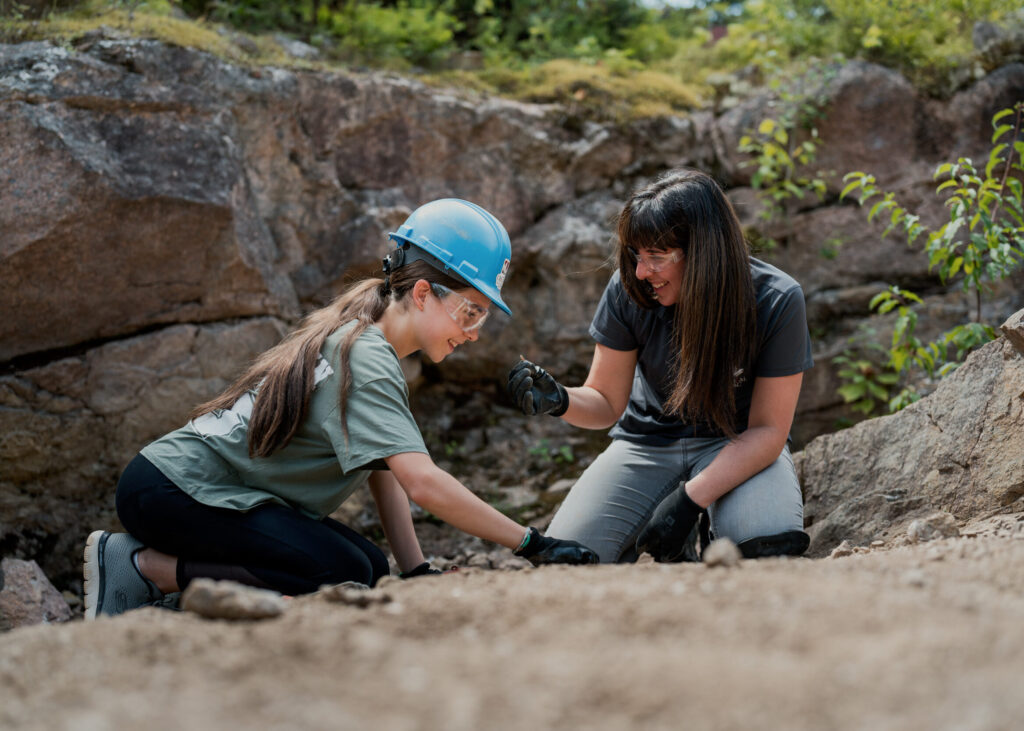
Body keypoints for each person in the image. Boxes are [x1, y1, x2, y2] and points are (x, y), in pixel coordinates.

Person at [84, 198, 596, 620]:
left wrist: (414, 567)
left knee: (367, 565)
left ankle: (176, 580)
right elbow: (422, 482)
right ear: (422, 293)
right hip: (173, 490)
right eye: (470, 310)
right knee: (340, 571)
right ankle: (146, 568)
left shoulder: (368, 344)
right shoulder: (368, 356)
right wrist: (534, 543)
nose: (474, 331)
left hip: (178, 488)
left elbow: (386, 470)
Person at [508, 169, 814, 564]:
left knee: (766, 548)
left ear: (705, 250)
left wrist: (688, 502)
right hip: (646, 444)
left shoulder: (777, 299)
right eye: (637, 255)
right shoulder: (628, 290)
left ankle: (704, 524)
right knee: (569, 559)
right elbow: (604, 401)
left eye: (655, 257)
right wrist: (561, 400)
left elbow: (769, 431)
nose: (640, 272)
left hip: (738, 441)